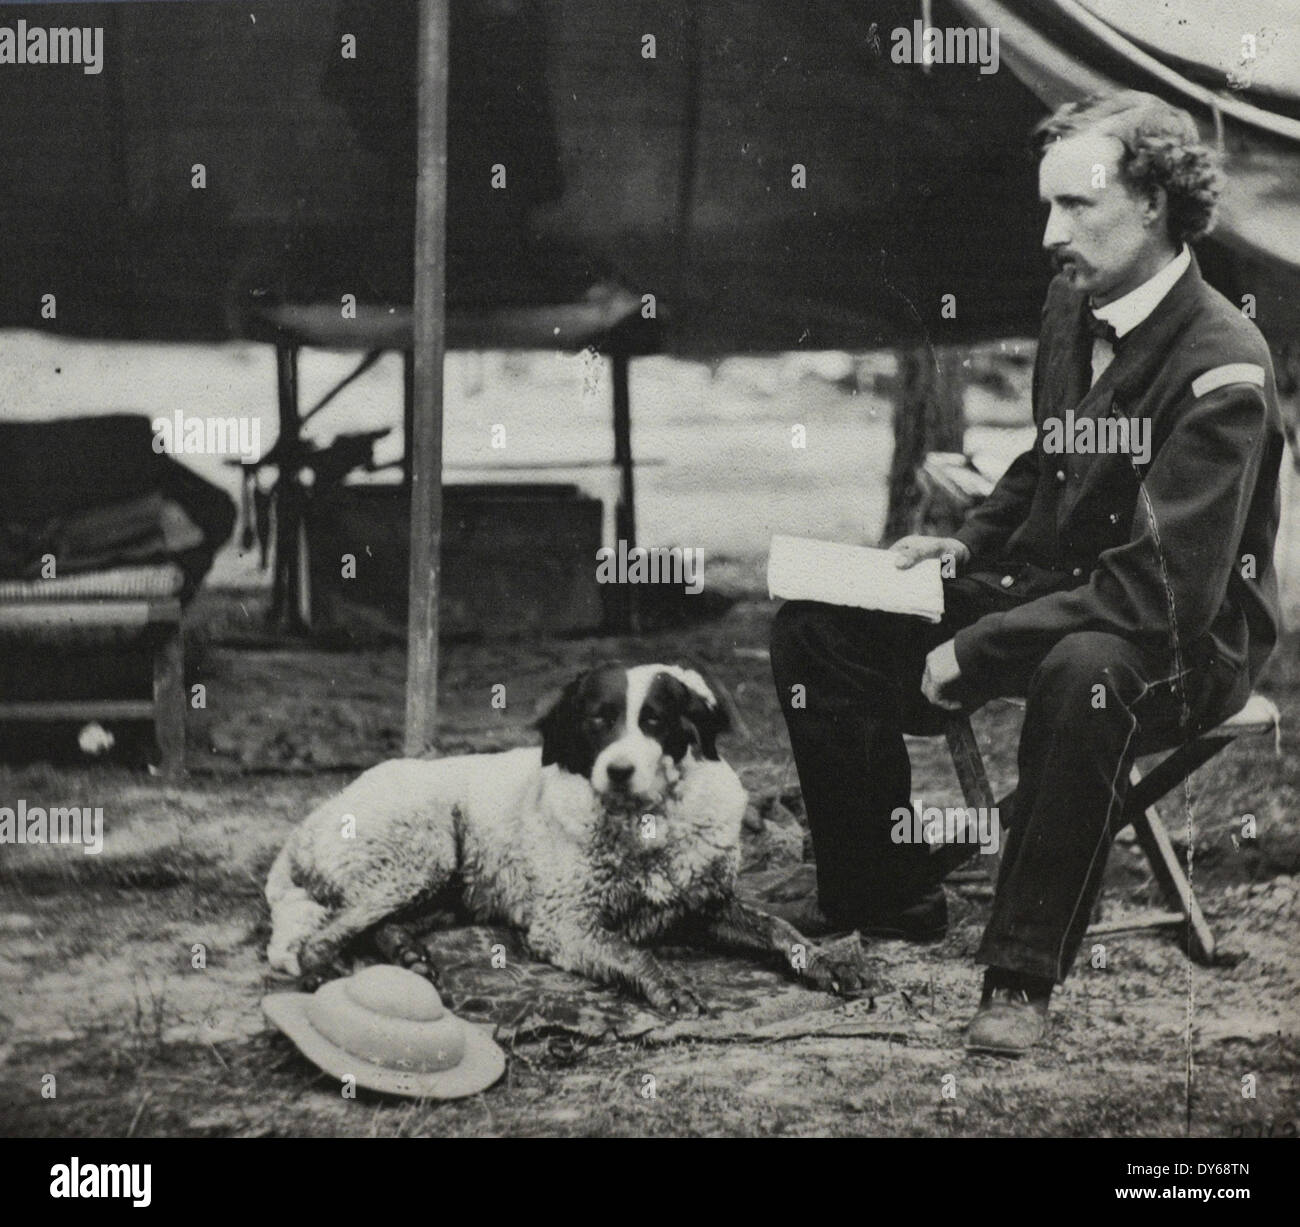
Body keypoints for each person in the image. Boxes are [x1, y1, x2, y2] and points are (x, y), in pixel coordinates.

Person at [769, 91, 1284, 1056]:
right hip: (1058, 592)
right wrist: (968, 544)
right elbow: (1052, 460)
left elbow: (1157, 594)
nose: (1053, 234)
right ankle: (884, 893)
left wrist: (971, 649)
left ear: (1158, 203)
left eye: (1079, 206)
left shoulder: (1224, 365)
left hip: (1180, 638)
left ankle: (1020, 974)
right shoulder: (1073, 302)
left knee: (1084, 672)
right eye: (1047, 206)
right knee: (818, 622)